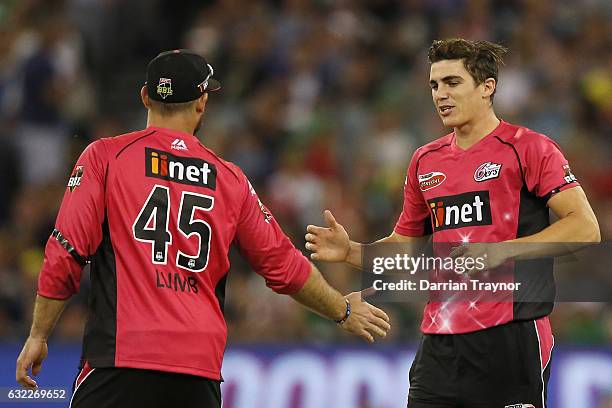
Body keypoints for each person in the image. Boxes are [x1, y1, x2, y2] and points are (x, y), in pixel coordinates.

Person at [15, 49, 391, 408]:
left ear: (145, 97)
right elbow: (284, 267)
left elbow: (66, 252)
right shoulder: (230, 179)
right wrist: (342, 309)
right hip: (197, 371)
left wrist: (39, 333)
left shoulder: (105, 157)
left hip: (122, 358)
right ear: (201, 103)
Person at [305, 39, 600, 408]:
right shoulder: (425, 161)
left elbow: (585, 227)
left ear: (487, 87)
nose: (440, 94)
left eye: (452, 83)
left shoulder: (529, 148)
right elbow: (406, 249)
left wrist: (499, 252)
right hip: (440, 347)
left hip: (511, 340)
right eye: (434, 85)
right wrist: (351, 252)